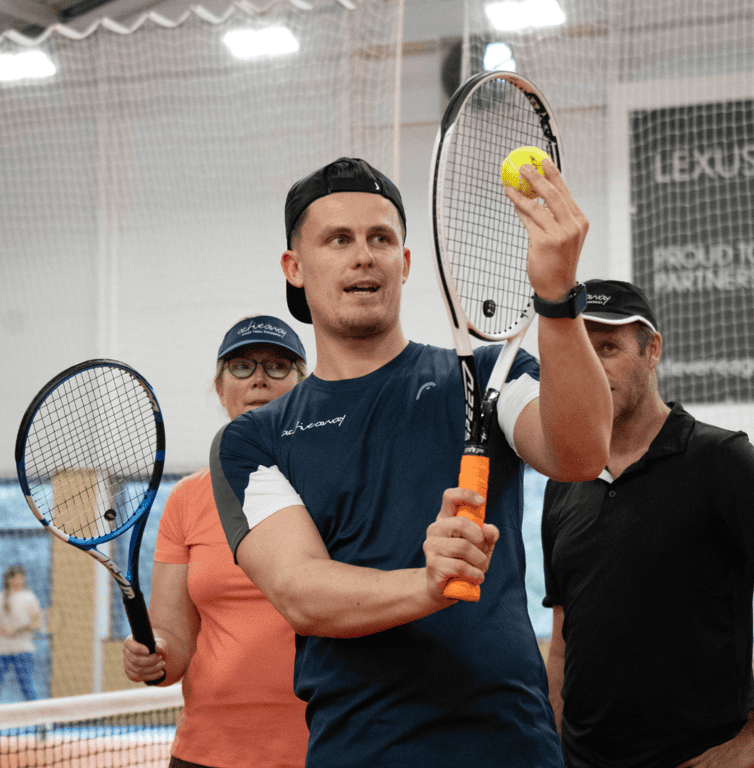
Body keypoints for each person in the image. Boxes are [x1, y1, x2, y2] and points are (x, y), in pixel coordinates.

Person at [210, 157, 612, 766]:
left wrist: (557, 296)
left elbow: (581, 455)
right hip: (360, 751)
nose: (363, 255)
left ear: (404, 261)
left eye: (381, 238)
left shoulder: (485, 377)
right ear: (295, 268)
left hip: (511, 747)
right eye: (337, 239)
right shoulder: (254, 441)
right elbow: (300, 591)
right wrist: (426, 587)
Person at [541, 279, 754, 768]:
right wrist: (553, 746)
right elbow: (562, 643)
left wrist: (752, 743)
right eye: (583, 350)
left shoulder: (719, 459)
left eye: (610, 347)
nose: (595, 367)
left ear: (651, 351)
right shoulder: (565, 478)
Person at [123, 315, 311, 768]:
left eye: (278, 366)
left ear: (307, 389)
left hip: (324, 748)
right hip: (206, 753)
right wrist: (156, 656)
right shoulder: (187, 499)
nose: (260, 379)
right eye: (242, 367)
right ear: (221, 387)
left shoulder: (340, 486)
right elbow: (174, 642)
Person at [0, 564, 44, 705]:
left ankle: (41, 721)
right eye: (14, 578)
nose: (17, 581)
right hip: (0, 650)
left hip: (23, 650)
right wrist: (1, 630)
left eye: (20, 578)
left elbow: (37, 623)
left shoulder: (29, 598)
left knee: (27, 687)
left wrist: (20, 630)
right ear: (8, 579)